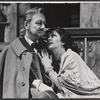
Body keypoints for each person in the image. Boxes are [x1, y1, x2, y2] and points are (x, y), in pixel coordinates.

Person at [0, 7, 58, 98]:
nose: (43, 27)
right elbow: (12, 81)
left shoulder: (47, 48)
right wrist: (37, 84)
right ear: (26, 25)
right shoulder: (12, 50)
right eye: (39, 23)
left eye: (44, 24)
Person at [38, 26, 100, 98]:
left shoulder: (71, 56)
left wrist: (48, 68)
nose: (49, 39)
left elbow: (63, 85)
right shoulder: (57, 60)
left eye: (53, 36)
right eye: (48, 37)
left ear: (63, 42)